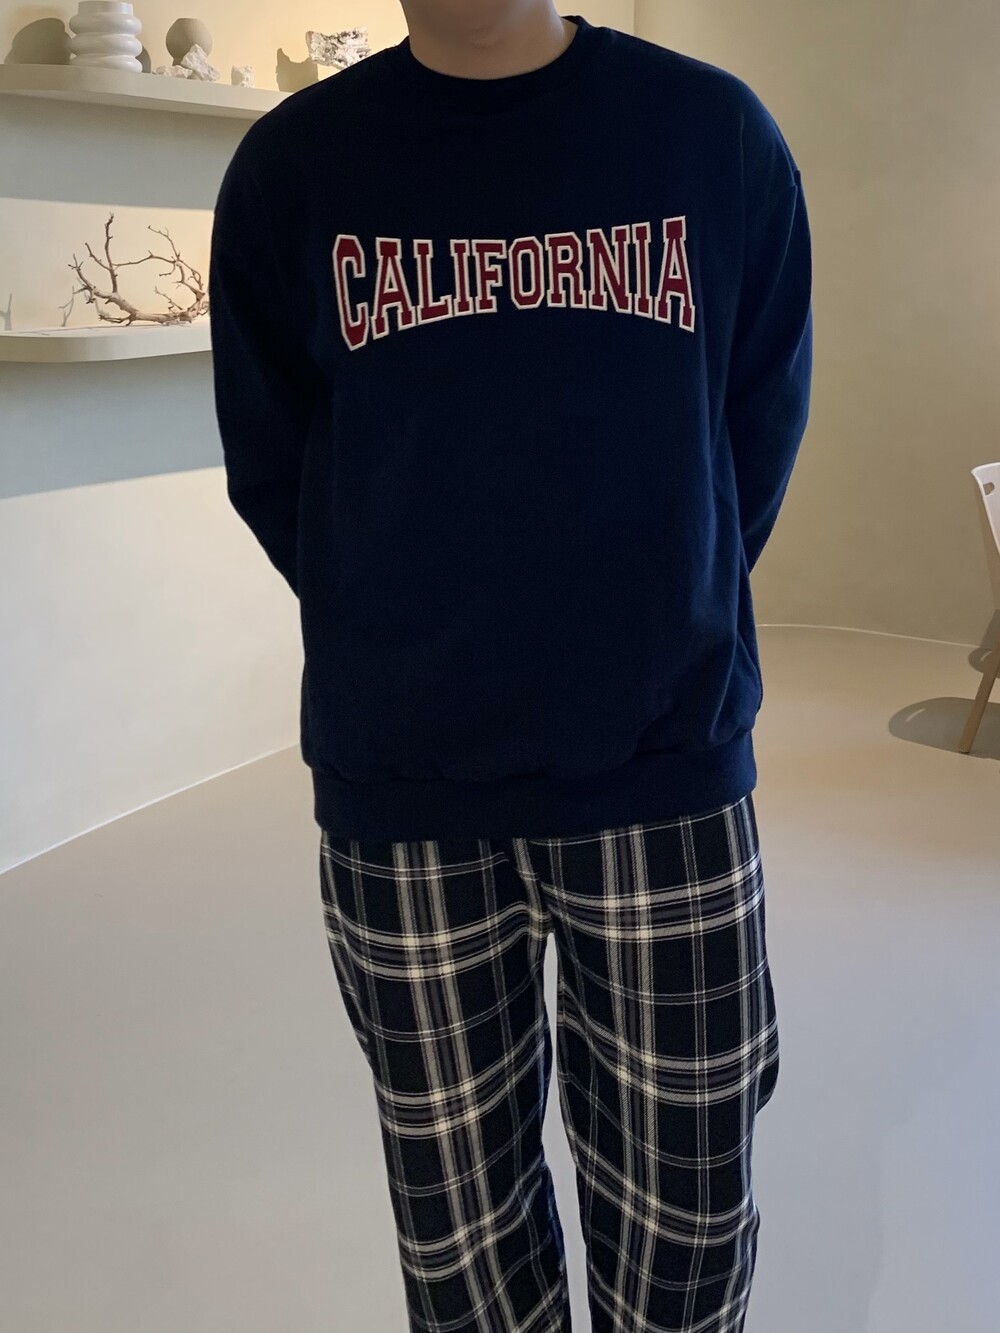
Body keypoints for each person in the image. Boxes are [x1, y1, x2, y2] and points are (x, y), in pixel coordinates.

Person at [208, 3, 812, 1329]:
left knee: (686, 1221)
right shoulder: (293, 169)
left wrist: (665, 597)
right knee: (460, 1236)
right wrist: (394, 608)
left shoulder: (711, 137)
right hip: (405, 780)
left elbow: (755, 419)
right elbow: (277, 460)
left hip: (662, 764)